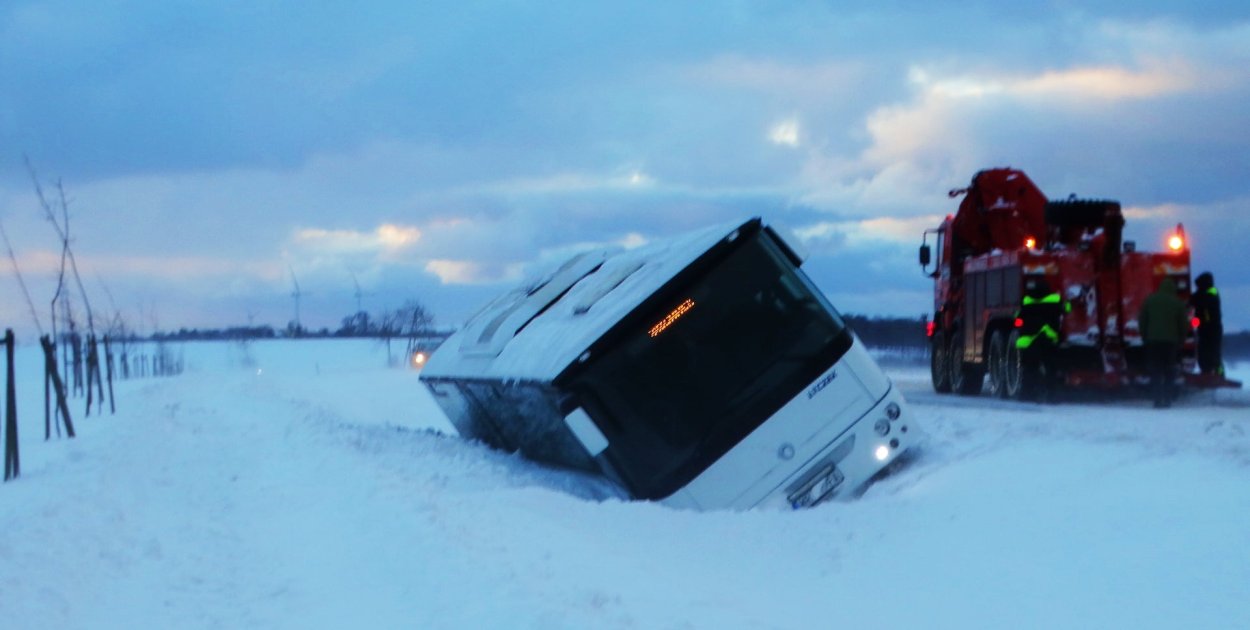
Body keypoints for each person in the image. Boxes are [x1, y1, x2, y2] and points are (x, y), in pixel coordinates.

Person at [1015, 278, 1068, 402]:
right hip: (1048, 339)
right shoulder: (1055, 300)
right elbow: (1066, 309)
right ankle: (1051, 396)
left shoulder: (1026, 301)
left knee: (1029, 369)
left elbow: (1018, 320)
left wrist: (1020, 324)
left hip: (1029, 342)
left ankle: (1027, 395)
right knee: (1051, 369)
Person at [1139, 277, 1189, 408]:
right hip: (1170, 342)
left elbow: (1142, 320)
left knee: (1156, 370)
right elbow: (1183, 324)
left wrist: (1145, 336)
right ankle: (1167, 398)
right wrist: (1181, 340)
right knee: (1169, 370)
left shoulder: (1150, 300)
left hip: (1153, 341)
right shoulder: (1178, 303)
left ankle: (1157, 399)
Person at [1189, 271, 1223, 376]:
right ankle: (1206, 372)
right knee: (1203, 352)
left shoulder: (1212, 291)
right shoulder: (1201, 294)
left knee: (1214, 353)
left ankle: (1219, 375)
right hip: (1204, 328)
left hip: (1212, 328)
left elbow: (1206, 300)